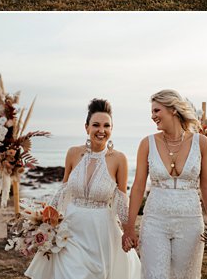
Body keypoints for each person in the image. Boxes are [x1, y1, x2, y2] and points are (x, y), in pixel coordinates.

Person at [25, 99, 140, 279]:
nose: (101, 130)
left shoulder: (119, 159)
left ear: (111, 129)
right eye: (96, 125)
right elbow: (63, 191)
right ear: (86, 127)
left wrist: (128, 230)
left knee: (98, 273)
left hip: (101, 231)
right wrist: (45, 222)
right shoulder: (73, 153)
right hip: (71, 229)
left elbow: (121, 198)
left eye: (106, 125)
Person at [122, 90, 207, 279]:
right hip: (154, 221)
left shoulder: (202, 143)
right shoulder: (147, 143)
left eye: (156, 111)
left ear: (173, 110)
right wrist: (129, 228)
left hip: (191, 222)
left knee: (186, 276)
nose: (153, 116)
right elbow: (137, 187)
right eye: (152, 112)